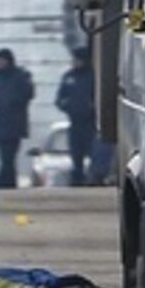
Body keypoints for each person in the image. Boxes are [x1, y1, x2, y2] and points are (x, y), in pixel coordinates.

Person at [0, 47, 35, 189]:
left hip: (15, 123)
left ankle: (2, 183)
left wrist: (11, 103)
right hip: (0, 122)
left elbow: (27, 94)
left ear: (8, 61)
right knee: (5, 157)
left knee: (9, 156)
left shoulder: (19, 76)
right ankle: (9, 183)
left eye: (0, 61)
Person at [55, 45, 96, 187]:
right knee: (76, 152)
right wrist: (68, 107)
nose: (74, 62)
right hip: (74, 121)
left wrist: (91, 107)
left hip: (91, 122)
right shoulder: (69, 77)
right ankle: (77, 177)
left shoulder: (92, 77)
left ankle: (93, 177)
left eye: (77, 59)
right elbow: (59, 99)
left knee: (93, 150)